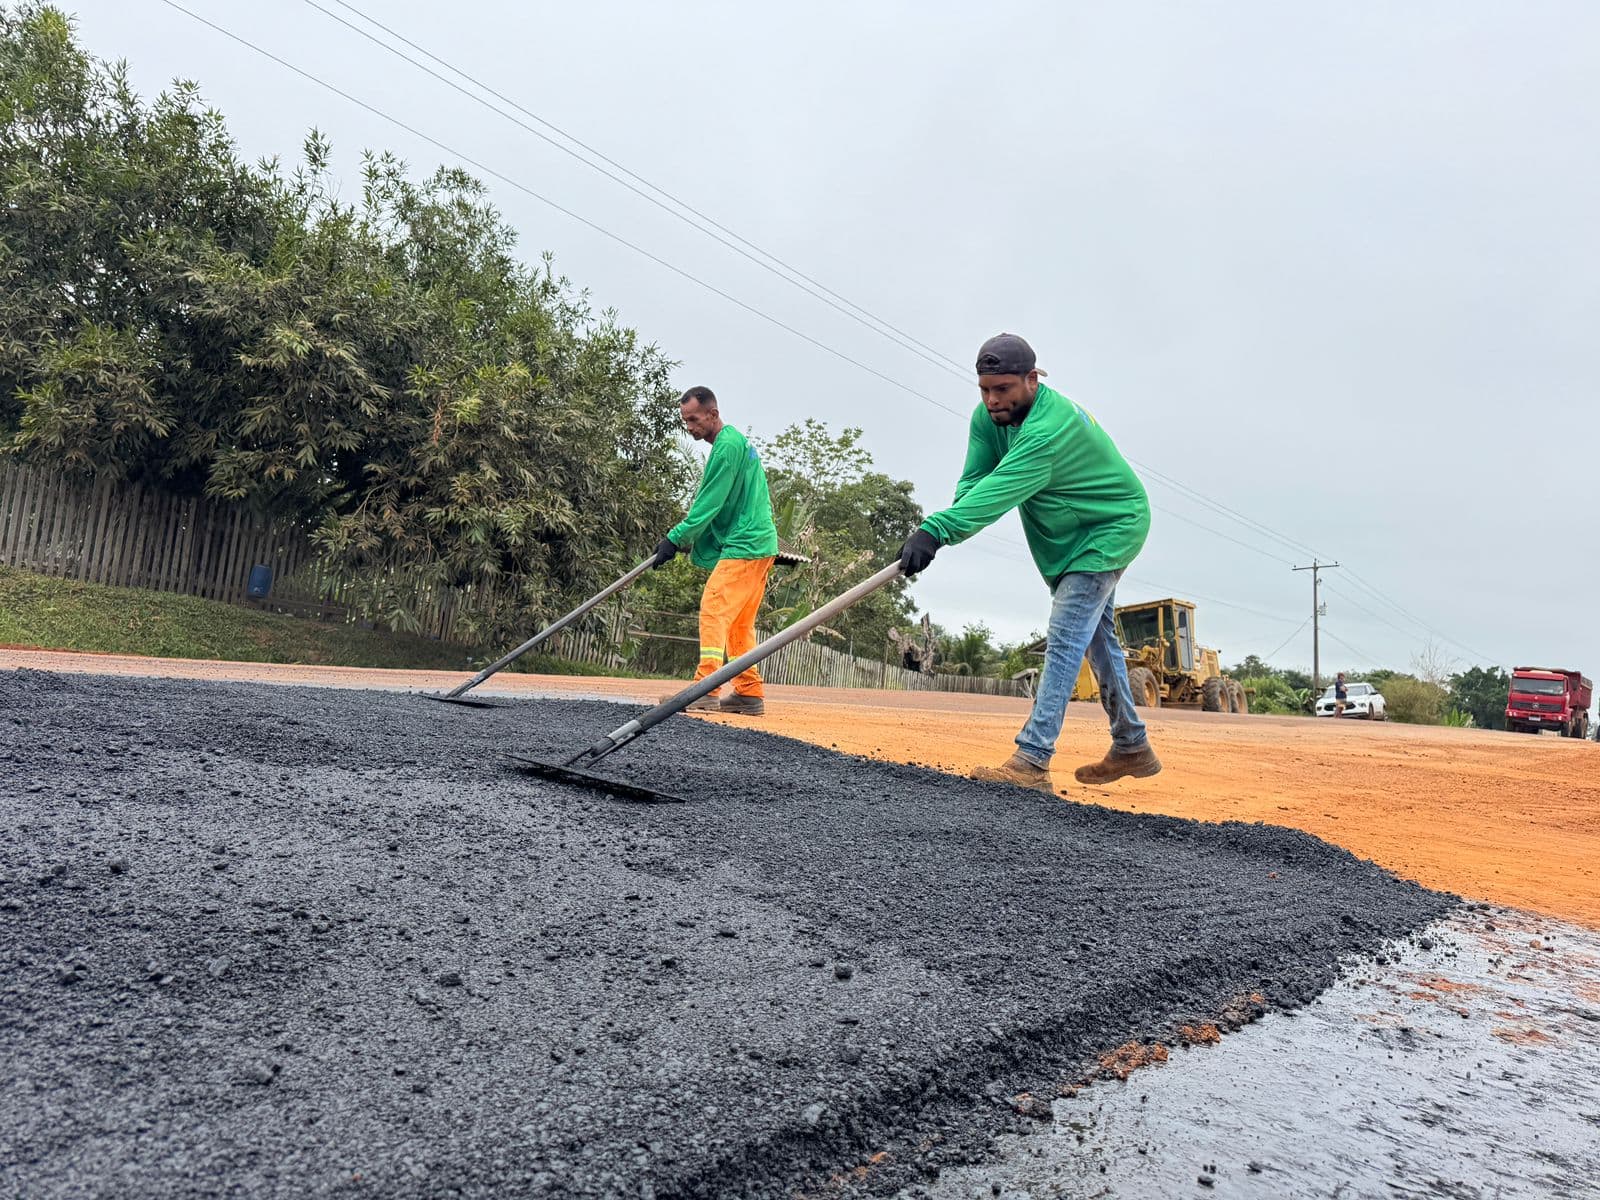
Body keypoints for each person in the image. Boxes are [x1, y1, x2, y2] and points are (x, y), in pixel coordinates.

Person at [898, 334, 1160, 794]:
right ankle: (1131, 744)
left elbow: (1000, 492)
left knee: (1065, 636)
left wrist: (937, 529)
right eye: (985, 389)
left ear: (1032, 380)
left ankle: (1033, 759)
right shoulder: (987, 419)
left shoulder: (1046, 432)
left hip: (1111, 527)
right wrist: (948, 525)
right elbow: (977, 481)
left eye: (1003, 389)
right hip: (1072, 533)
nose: (992, 400)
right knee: (1098, 640)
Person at [652, 386, 778, 715]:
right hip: (759, 544)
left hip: (746, 543)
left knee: (714, 608)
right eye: (685, 421)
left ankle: (705, 689)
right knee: (738, 624)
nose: (689, 427)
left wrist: (675, 538)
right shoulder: (733, 443)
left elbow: (709, 503)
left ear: (713, 413)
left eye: (694, 419)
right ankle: (749, 692)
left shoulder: (726, 447)